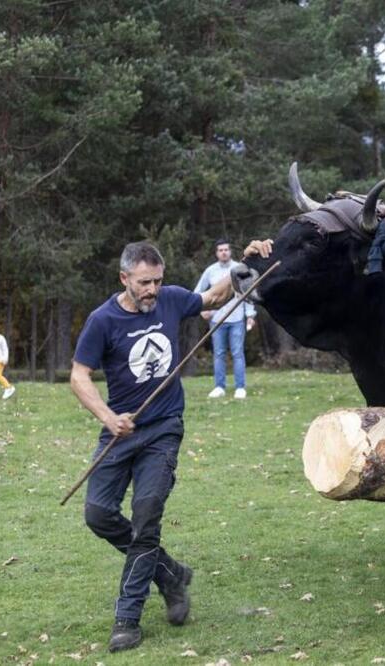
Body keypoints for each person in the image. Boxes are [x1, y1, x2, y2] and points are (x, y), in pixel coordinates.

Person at [70, 241, 237, 652]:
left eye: (157, 281)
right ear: (124, 278)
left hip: (163, 429)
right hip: (119, 432)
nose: (152, 291)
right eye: (144, 283)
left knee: (146, 518)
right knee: (97, 514)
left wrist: (247, 261)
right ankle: (170, 574)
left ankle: (127, 617)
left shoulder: (172, 300)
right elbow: (79, 376)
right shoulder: (102, 320)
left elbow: (216, 295)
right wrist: (109, 418)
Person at [194, 239, 257, 399]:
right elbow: (198, 292)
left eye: (226, 249)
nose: (223, 252)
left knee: (237, 353)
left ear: (230, 251)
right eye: (220, 250)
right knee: (219, 354)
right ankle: (219, 387)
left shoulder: (239, 269)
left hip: (236, 319)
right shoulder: (210, 271)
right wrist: (201, 309)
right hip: (217, 320)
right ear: (216, 253)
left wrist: (250, 315)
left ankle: (240, 387)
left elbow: (248, 293)